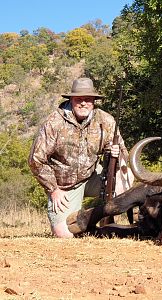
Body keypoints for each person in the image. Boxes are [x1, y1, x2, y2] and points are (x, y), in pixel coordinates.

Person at [28, 77, 133, 238]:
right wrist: (54, 189)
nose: (83, 103)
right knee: (64, 234)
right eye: (79, 99)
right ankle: (90, 224)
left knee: (126, 176)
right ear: (71, 99)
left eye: (88, 99)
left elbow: (123, 152)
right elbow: (36, 160)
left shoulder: (106, 120)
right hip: (64, 185)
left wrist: (116, 153)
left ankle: (108, 219)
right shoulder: (54, 122)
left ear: (94, 101)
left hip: (93, 176)